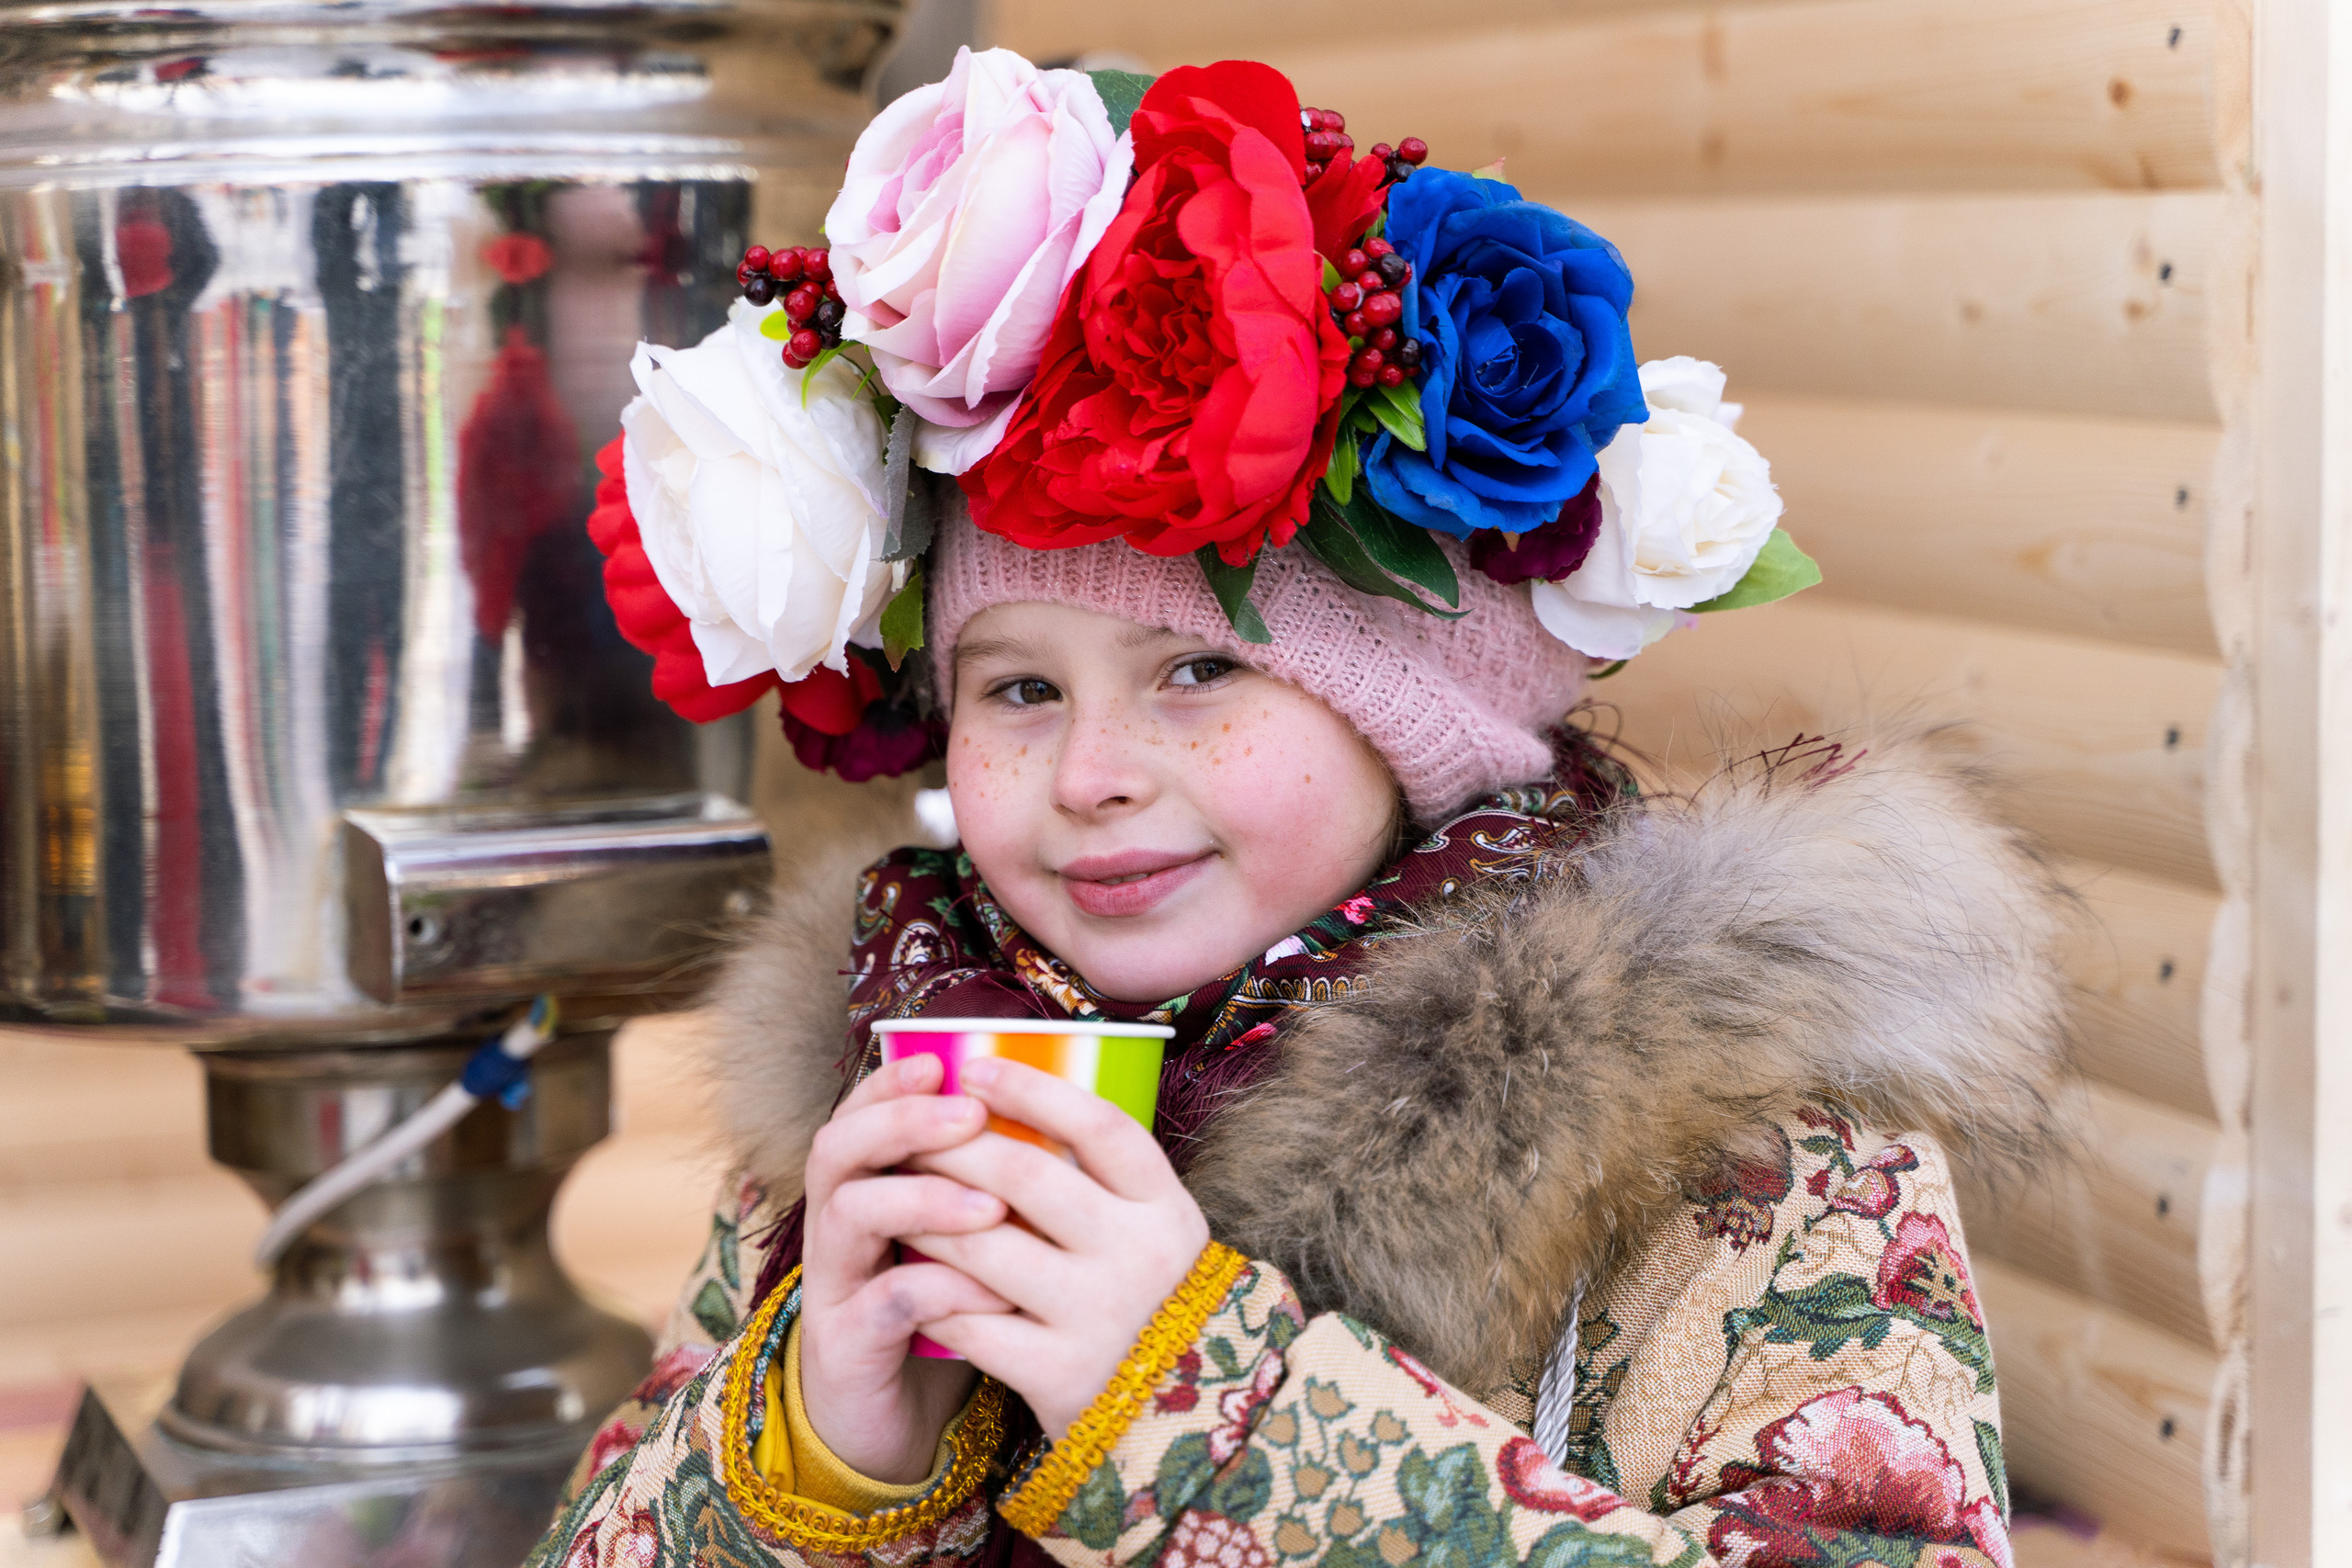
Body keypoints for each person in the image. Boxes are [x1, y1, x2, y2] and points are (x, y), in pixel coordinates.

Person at [533, 48, 2065, 1568]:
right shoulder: (881, 1088)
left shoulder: (1756, 1150)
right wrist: (816, 1464)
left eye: (1199, 668)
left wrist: (1203, 1411)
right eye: (1019, 690)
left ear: (1422, 725)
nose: (1089, 774)